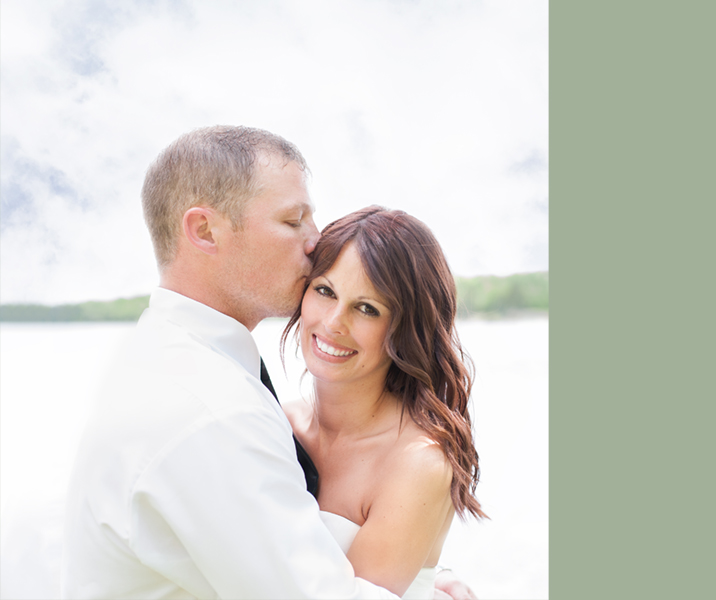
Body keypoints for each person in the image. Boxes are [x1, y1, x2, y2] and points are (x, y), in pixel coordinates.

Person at [61, 126, 475, 599]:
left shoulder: (168, 357)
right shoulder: (220, 413)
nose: (314, 241)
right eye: (292, 220)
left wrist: (423, 573)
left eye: (367, 307)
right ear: (205, 231)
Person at [279, 207, 487, 599]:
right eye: (325, 290)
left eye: (367, 308)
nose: (333, 322)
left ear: (406, 330)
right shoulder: (276, 421)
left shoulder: (417, 461)